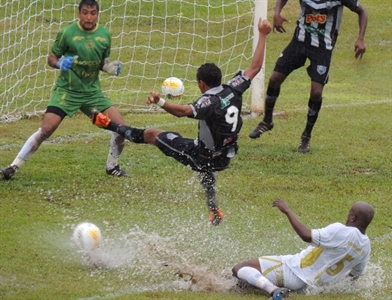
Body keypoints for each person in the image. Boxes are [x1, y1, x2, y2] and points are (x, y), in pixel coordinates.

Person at [90, 18, 272, 225]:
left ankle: (108, 124)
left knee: (152, 135)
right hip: (226, 156)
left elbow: (182, 111)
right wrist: (263, 34)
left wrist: (160, 101)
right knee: (205, 164)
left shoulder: (208, 102)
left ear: (202, 84)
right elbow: (256, 67)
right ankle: (213, 209)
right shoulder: (233, 88)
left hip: (204, 156)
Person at [1, 0, 128, 180]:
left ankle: (112, 166)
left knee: (121, 127)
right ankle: (13, 167)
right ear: (79, 13)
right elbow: (51, 58)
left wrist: (108, 67)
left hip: (92, 93)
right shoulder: (67, 33)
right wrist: (60, 63)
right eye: (85, 13)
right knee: (47, 129)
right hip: (67, 91)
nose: (89, 17)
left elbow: (102, 61)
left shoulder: (105, 35)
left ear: (98, 14)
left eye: (93, 13)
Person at [248, 0, 368, 153]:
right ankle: (267, 121)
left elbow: (362, 11)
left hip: (323, 48)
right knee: (274, 79)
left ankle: (306, 136)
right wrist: (277, 13)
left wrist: (361, 38)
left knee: (316, 92)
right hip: (299, 42)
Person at [232, 199, 375, 299]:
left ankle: (275, 291)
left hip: (293, 270)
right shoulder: (366, 247)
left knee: (240, 268)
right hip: (308, 288)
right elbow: (355, 275)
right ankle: (270, 287)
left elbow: (306, 236)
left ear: (352, 217)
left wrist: (287, 211)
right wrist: (330, 287)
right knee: (241, 283)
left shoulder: (343, 231)